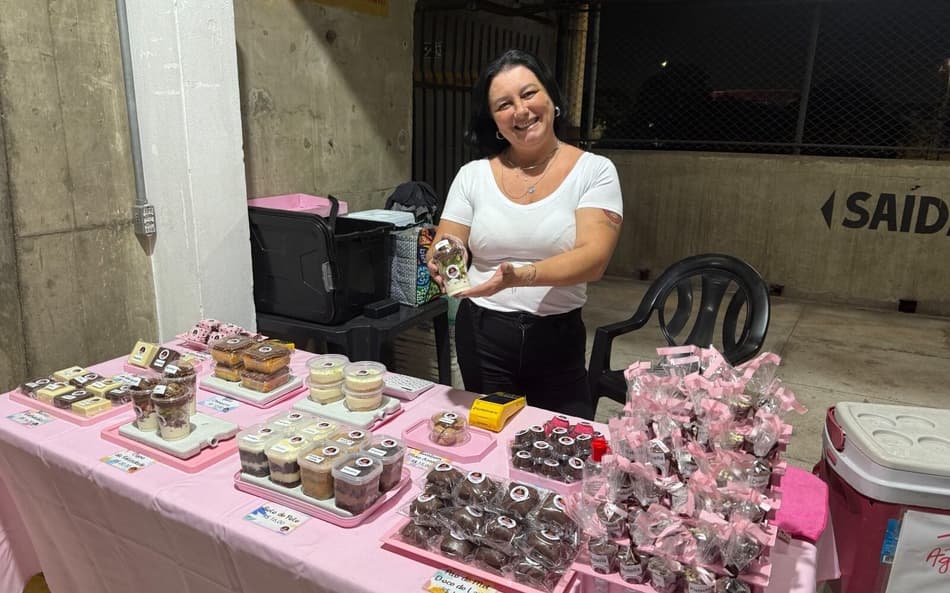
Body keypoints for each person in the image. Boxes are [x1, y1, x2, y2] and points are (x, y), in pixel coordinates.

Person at [427, 49, 623, 419]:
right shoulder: (473, 175)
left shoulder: (594, 171)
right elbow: (449, 238)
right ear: (494, 122)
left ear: (552, 97)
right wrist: (444, 252)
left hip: (557, 338)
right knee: (491, 436)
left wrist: (520, 275)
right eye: (504, 104)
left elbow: (594, 259)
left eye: (529, 94)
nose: (520, 110)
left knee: (562, 442)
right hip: (482, 332)